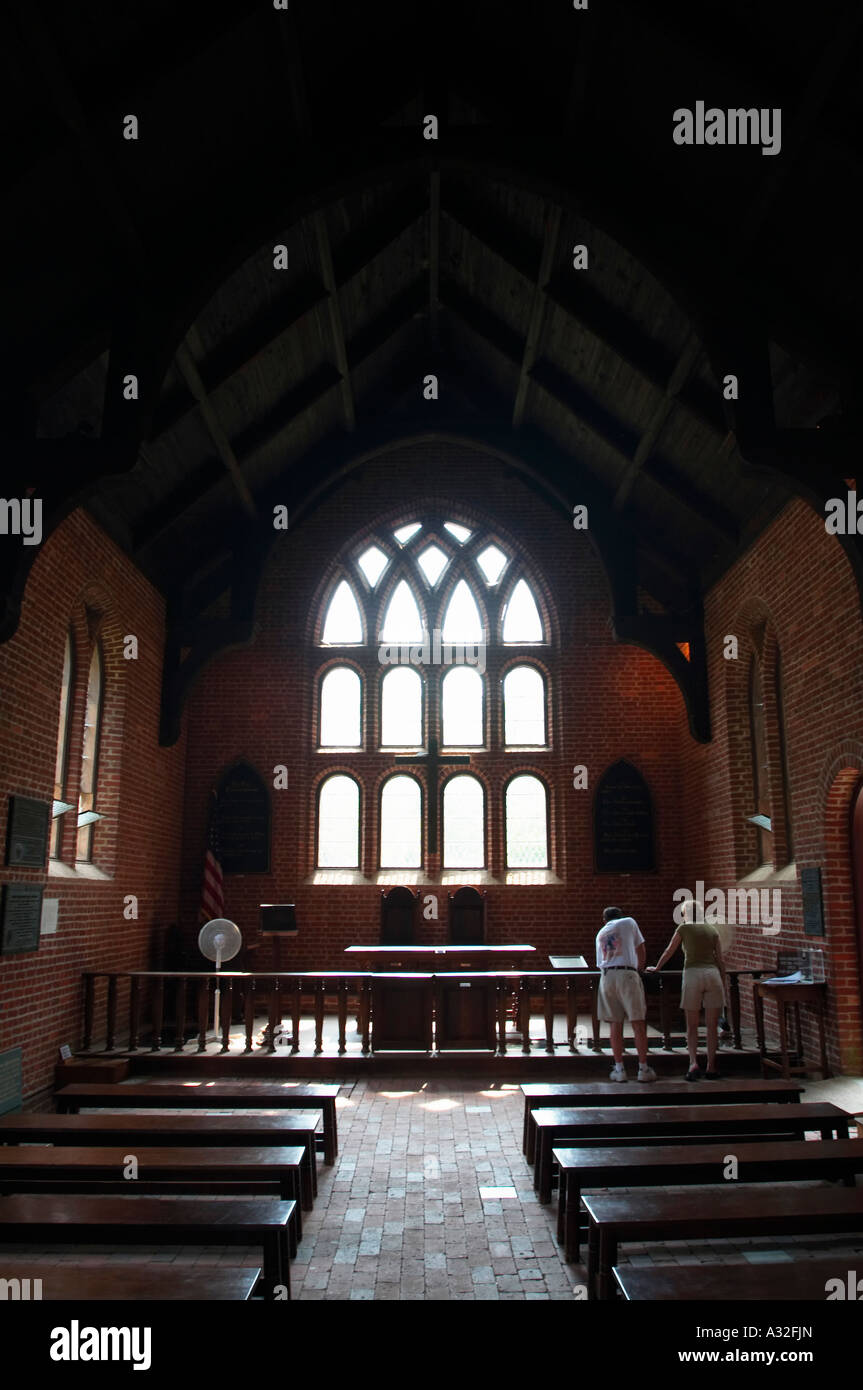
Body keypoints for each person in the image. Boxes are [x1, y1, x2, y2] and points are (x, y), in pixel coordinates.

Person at [648, 899, 726, 1080]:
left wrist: (657, 968)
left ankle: (693, 1064)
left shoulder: (683, 928)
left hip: (693, 974)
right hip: (712, 974)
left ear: (685, 914)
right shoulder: (712, 930)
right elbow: (720, 960)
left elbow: (669, 950)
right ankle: (712, 1066)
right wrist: (722, 981)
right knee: (712, 1026)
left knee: (691, 1025)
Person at [595, 906, 656, 1082]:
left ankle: (619, 1069)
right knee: (637, 1022)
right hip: (626, 974)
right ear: (620, 916)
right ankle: (643, 1069)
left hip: (607, 977)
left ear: (604, 920)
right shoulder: (629, 922)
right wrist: (640, 970)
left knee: (615, 1024)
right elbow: (640, 948)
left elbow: (600, 961)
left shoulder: (600, 933)